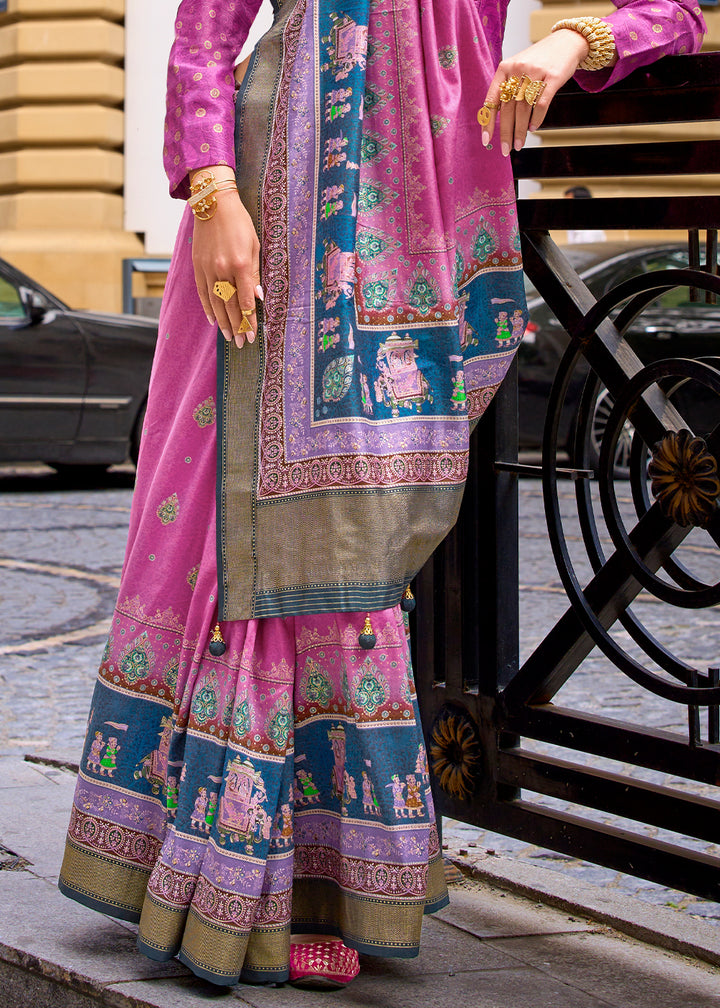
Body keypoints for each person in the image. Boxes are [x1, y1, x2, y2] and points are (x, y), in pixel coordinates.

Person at [58, 0, 705, 991]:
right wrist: (212, 194)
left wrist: (568, 43)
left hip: (426, 227)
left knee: (357, 536)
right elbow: (202, 36)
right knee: (247, 526)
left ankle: (305, 871)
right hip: (274, 208)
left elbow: (677, 15)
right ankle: (258, 881)